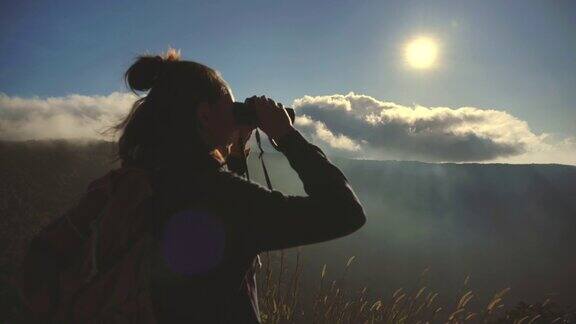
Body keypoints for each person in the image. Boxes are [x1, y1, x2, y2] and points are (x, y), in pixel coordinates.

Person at [110, 48, 366, 323]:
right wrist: (286, 136)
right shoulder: (219, 196)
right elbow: (345, 212)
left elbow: (232, 224)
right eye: (231, 107)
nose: (236, 115)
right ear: (204, 116)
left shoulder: (144, 178)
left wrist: (234, 156)